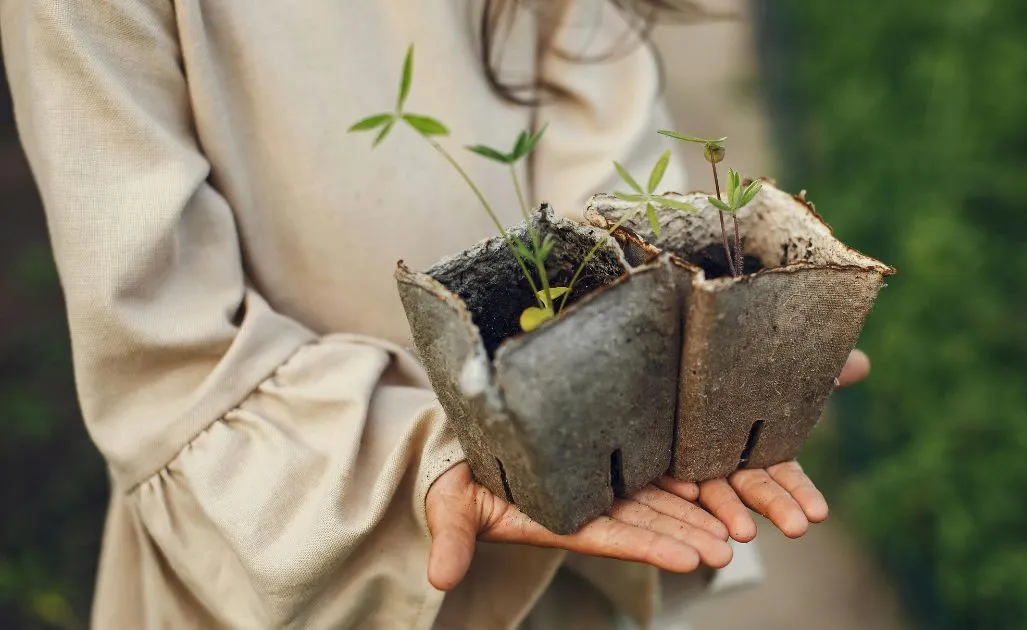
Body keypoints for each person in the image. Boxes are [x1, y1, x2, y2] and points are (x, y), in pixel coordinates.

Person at [0, 0, 871, 628]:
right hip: (304, 547)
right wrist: (427, 464)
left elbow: (608, 181)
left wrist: (684, 347)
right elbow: (168, 363)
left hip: (565, 534)